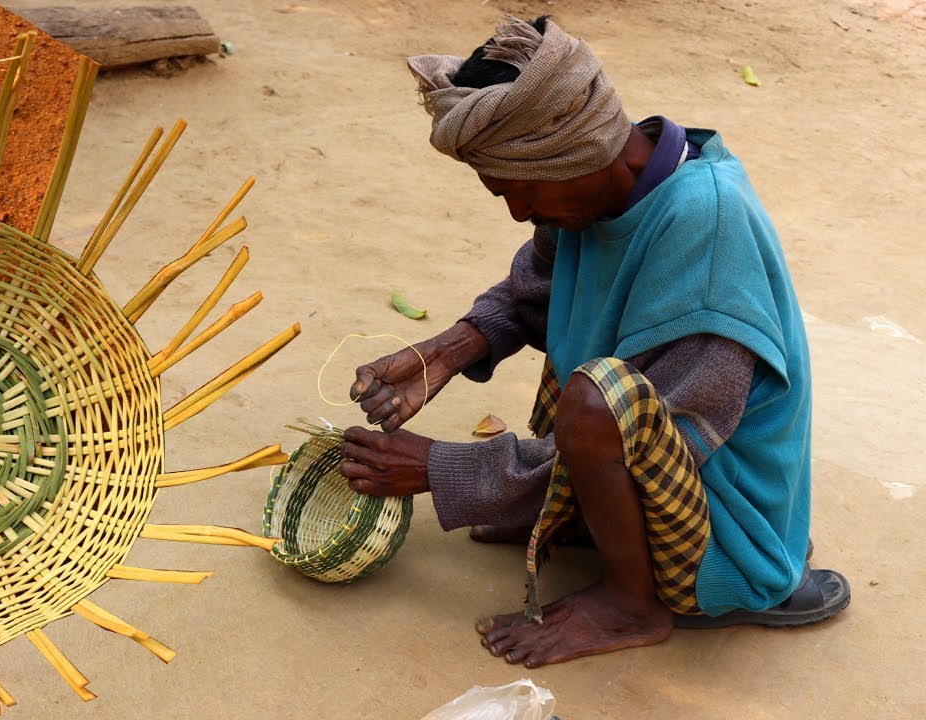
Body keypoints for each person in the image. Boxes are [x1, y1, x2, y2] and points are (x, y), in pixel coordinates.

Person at [338, 16, 850, 668]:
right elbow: (535, 293)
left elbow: (649, 431)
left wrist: (444, 470)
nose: (519, 213)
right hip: (659, 471)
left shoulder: (707, 224)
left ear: (571, 153)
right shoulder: (597, 193)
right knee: (582, 334)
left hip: (727, 529)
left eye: (521, 190)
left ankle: (632, 603)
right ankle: (580, 518)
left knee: (596, 395)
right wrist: (441, 354)